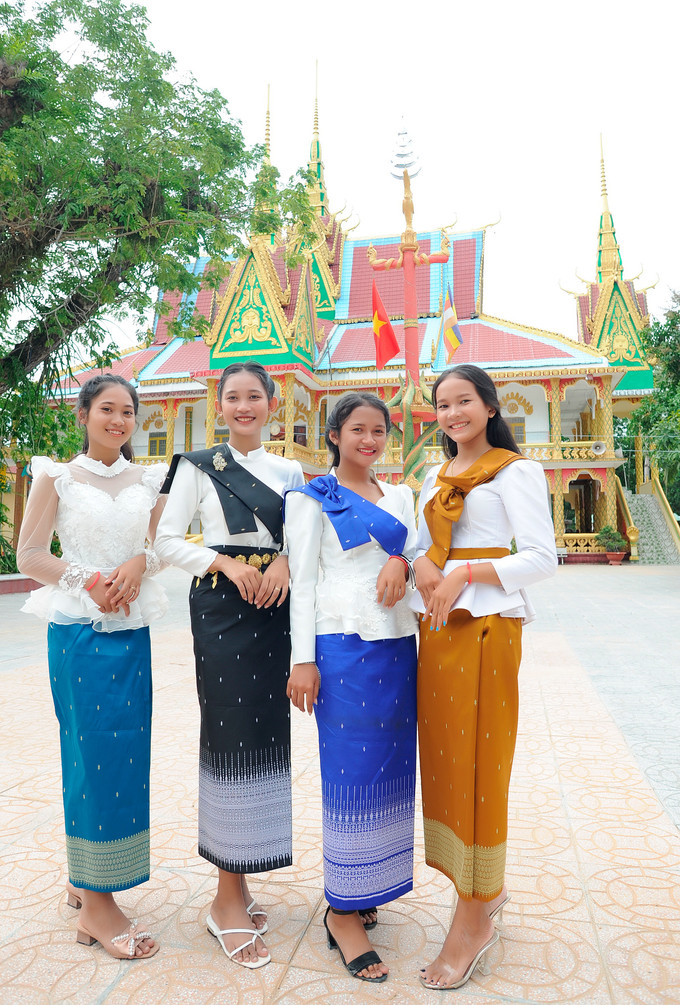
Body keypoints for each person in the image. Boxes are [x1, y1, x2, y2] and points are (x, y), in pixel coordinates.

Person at [153, 360, 303, 970]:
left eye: (254, 397)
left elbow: (300, 538)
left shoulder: (289, 470)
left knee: (264, 738)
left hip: (274, 605)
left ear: (272, 404)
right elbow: (165, 541)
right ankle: (224, 898)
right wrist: (224, 563)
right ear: (220, 406)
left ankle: (238, 884)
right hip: (222, 603)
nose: (244, 406)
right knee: (228, 736)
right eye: (233, 397)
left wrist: (285, 561)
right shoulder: (197, 466)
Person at [412, 364, 558, 990]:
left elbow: (542, 558)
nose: (453, 414)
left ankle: (474, 919)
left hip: (488, 625)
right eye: (442, 404)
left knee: (481, 763)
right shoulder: (433, 475)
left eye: (464, 401)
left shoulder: (514, 471)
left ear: (490, 406)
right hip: (438, 628)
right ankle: (479, 890)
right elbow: (418, 543)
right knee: (447, 761)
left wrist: (466, 574)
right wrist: (419, 563)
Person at [16, 373, 168, 960]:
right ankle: (98, 908)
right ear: (84, 414)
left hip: (131, 631)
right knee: (88, 753)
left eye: (127, 411)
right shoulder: (56, 476)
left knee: (127, 754)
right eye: (107, 408)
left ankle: (88, 879)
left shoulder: (149, 480)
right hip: (78, 631)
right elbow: (30, 554)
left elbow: (158, 548)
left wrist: (136, 565)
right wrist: (89, 580)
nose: (118, 420)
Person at [285, 392, 418, 984]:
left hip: (397, 644)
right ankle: (342, 911)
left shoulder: (401, 496)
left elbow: (417, 552)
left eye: (378, 431)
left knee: (391, 769)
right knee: (350, 773)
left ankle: (368, 886)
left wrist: (403, 563)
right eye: (357, 429)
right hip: (340, 646)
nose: (369, 440)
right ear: (335, 435)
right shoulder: (311, 498)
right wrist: (303, 660)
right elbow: (304, 581)